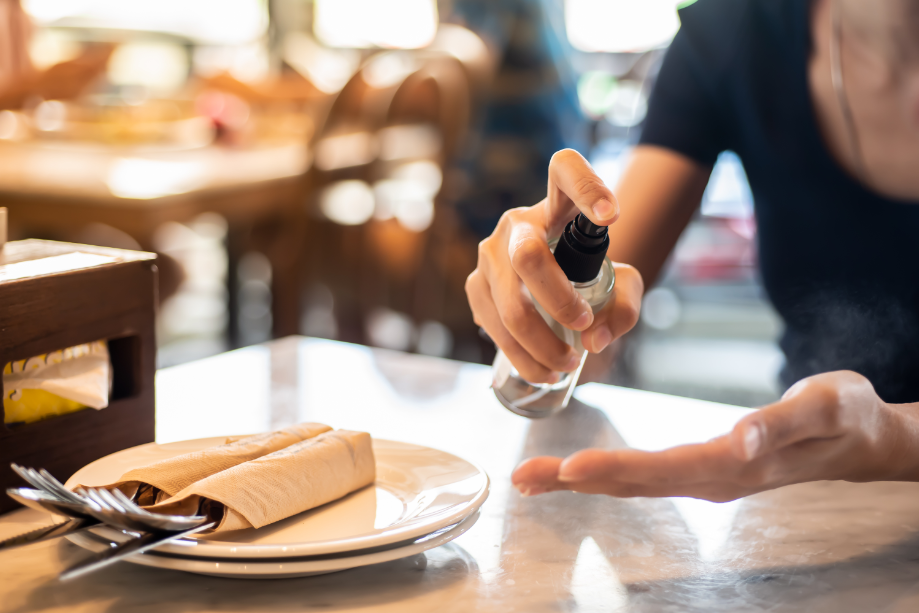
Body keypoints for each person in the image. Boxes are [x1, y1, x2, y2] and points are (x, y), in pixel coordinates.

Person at [465, 0, 919, 502]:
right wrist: (540, 291)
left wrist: (898, 436)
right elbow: (602, 320)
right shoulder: (734, 31)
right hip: (802, 494)